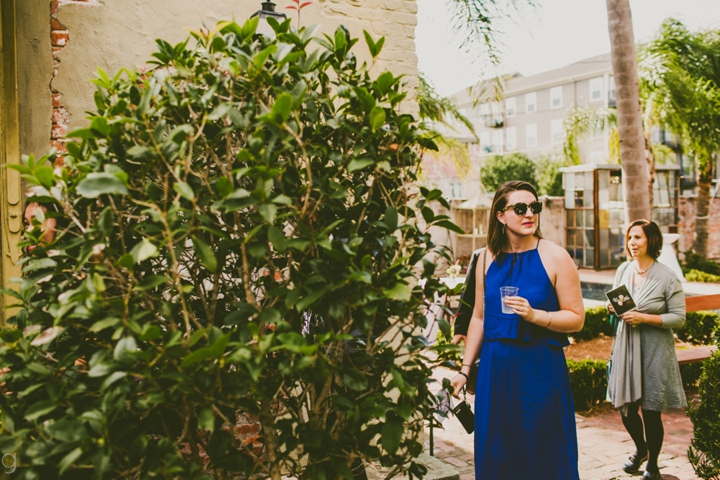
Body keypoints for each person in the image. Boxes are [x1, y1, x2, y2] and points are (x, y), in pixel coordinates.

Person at [450, 181, 585, 479]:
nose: (530, 214)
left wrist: (537, 316)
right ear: (500, 215)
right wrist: (464, 369)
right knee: (497, 450)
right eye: (520, 208)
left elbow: (576, 318)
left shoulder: (555, 256)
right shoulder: (485, 258)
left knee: (544, 447)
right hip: (495, 373)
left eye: (534, 207)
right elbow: (479, 319)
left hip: (540, 368)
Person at [606, 219, 686, 480]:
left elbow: (679, 318)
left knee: (651, 409)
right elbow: (619, 302)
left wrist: (645, 318)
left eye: (638, 237)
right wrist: (613, 309)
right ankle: (641, 448)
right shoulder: (623, 270)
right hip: (626, 346)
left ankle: (653, 463)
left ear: (652, 240)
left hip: (654, 350)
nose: (632, 243)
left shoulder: (667, 277)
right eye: (630, 237)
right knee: (625, 406)